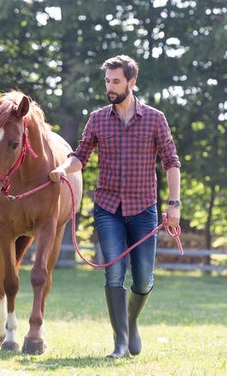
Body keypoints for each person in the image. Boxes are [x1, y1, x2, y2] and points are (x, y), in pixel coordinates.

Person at [49, 55, 181, 358]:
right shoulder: (97, 118)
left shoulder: (154, 118)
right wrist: (62, 169)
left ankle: (131, 322)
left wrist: (174, 204)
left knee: (144, 278)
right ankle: (120, 342)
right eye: (107, 81)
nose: (109, 86)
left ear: (131, 83)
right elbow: (80, 155)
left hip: (144, 208)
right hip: (108, 207)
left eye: (116, 81)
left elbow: (171, 162)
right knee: (113, 274)